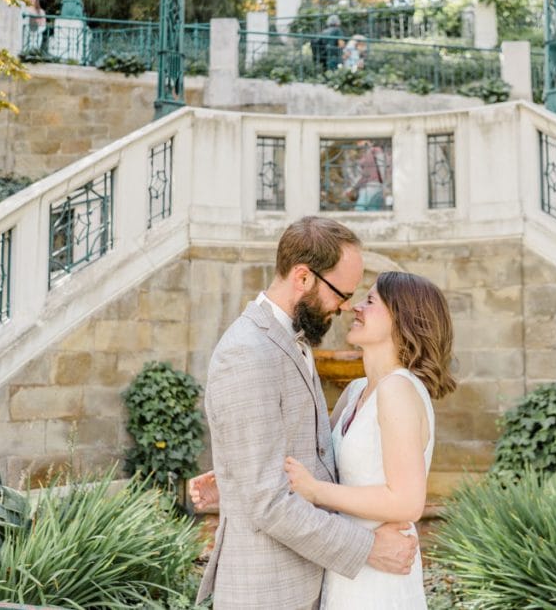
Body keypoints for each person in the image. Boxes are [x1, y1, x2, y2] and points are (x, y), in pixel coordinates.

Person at [191, 217, 418, 609]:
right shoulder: (246, 352)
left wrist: (234, 473)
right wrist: (369, 547)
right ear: (302, 277)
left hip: (307, 583)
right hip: (267, 593)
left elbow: (298, 451)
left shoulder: (290, 337)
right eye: (341, 293)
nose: (346, 307)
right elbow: (269, 503)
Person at [284, 271, 456, 608]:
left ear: (402, 319)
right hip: (351, 561)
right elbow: (314, 458)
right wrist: (239, 475)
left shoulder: (398, 390)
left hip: (380, 580)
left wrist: (315, 491)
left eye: (371, 300)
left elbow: (407, 502)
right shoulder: (356, 391)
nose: (354, 307)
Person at [344, 141, 390, 211]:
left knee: (359, 209)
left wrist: (385, 186)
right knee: (373, 211)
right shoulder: (362, 155)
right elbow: (360, 176)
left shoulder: (376, 150)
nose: (358, 143)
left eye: (360, 141)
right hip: (366, 188)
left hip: (373, 186)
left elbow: (382, 168)